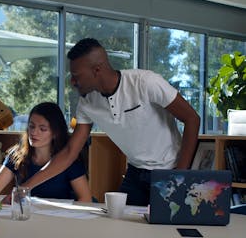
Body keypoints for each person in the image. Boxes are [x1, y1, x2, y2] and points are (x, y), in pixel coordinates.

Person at [21, 38, 200, 206]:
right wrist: (24, 188)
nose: (72, 81)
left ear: (97, 70)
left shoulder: (145, 83)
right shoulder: (87, 103)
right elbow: (69, 152)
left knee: (167, 234)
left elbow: (192, 119)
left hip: (170, 171)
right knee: (121, 231)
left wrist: (180, 175)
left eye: (76, 75)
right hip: (135, 173)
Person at [0, 102, 92, 202]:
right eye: (31, 126)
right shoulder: (17, 155)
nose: (34, 132)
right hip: (28, 216)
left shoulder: (68, 160)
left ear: (55, 133)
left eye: (42, 129)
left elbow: (85, 198)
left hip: (59, 218)